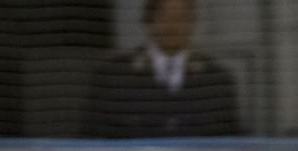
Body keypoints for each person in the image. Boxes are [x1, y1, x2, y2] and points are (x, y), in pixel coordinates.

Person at [84, 0, 244, 139]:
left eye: (181, 18)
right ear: (149, 21)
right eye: (164, 17)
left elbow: (231, 137)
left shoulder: (216, 79)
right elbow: (91, 138)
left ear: (193, 22)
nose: (172, 25)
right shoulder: (113, 76)